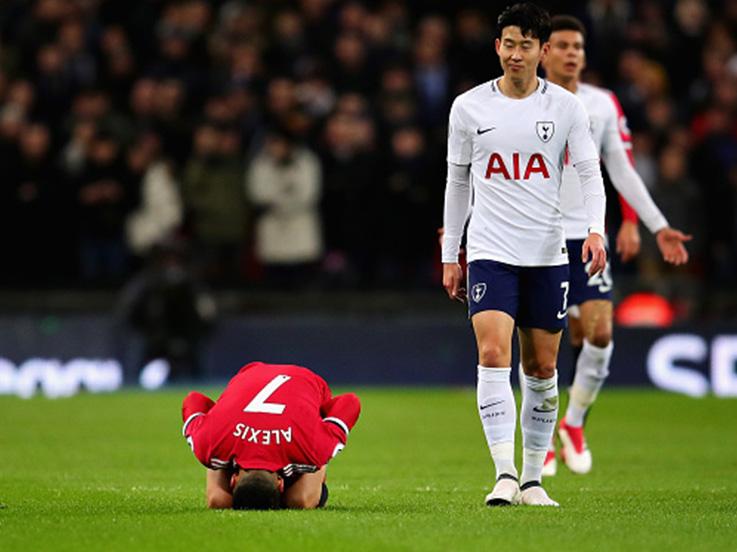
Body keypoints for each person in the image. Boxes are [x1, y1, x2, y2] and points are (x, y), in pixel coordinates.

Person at [442, 2, 608, 508]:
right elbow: (457, 182)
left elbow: (588, 174)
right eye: (507, 44)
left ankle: (534, 480)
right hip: (491, 249)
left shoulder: (565, 108)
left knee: (540, 367)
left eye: (526, 45)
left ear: (542, 50)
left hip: (548, 251)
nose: (516, 54)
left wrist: (596, 231)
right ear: (498, 47)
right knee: (493, 354)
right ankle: (505, 474)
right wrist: (453, 252)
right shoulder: (469, 107)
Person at [539, 15, 691, 477]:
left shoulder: (602, 104)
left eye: (578, 47)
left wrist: (653, 225)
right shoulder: (524, 101)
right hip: (537, 238)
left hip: (587, 234)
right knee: (543, 350)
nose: (571, 53)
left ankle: (574, 423)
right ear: (544, 52)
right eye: (562, 45)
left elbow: (622, 169)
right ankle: (541, 441)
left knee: (600, 335)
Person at [181, 361, 360, 510]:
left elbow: (349, 402)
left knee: (220, 501)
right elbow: (194, 399)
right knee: (297, 500)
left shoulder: (313, 449)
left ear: (233, 478)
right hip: (264, 377)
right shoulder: (207, 442)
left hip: (270, 377)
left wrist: (322, 429)